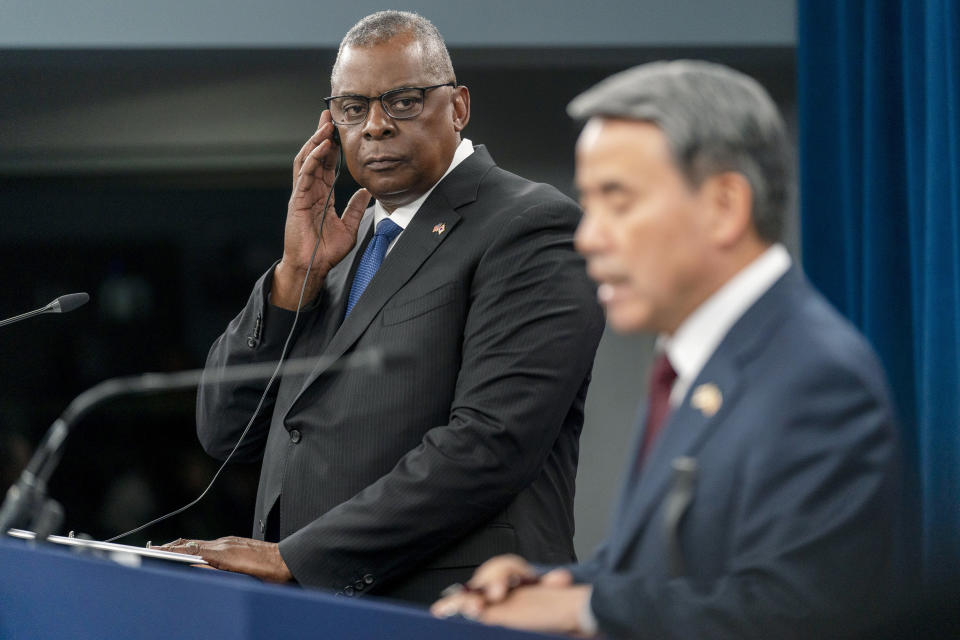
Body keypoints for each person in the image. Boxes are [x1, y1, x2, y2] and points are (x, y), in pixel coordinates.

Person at [431, 60, 902, 638]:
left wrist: (587, 610)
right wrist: (553, 583)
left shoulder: (817, 378)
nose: (588, 235)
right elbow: (670, 571)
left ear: (725, 206)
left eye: (618, 200)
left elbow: (803, 612)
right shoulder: (695, 363)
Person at [158, 11, 603, 604]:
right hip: (320, 611)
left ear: (459, 107)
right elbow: (225, 433)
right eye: (352, 107)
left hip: (455, 608)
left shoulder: (528, 225)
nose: (374, 127)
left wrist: (296, 557)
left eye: (402, 102)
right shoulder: (337, 250)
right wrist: (296, 277)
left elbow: (489, 444)